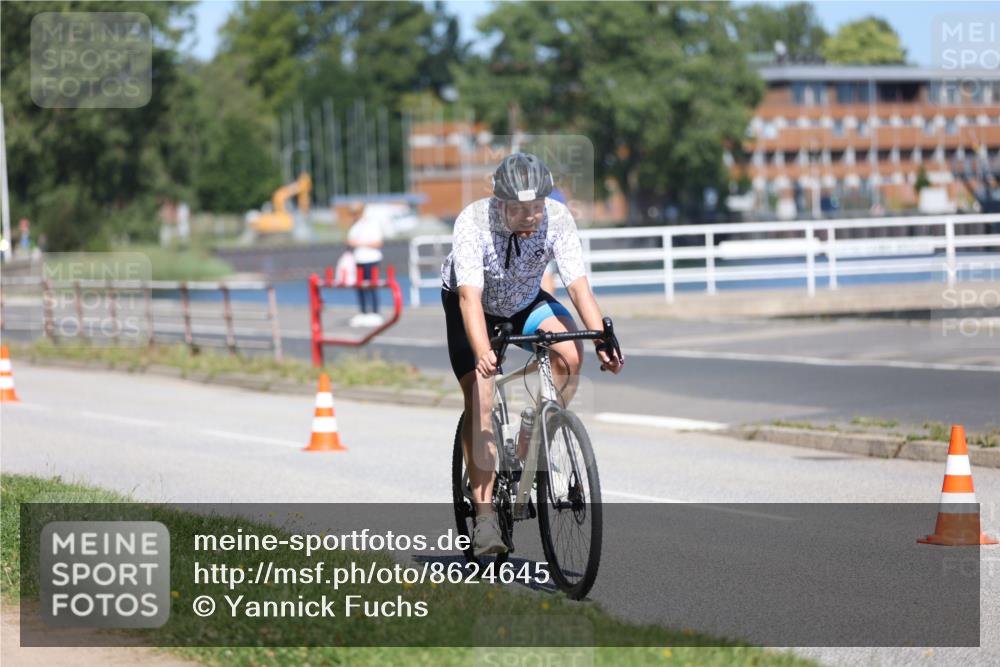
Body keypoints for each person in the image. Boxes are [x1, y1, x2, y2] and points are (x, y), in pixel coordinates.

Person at [440, 153, 624, 557]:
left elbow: (578, 287)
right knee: (481, 400)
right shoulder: (473, 223)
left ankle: (530, 429)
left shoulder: (557, 218)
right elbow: (470, 298)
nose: (531, 216)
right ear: (499, 203)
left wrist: (603, 341)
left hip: (524, 301)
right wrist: (483, 351)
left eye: (536, 207)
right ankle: (486, 520)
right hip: (471, 307)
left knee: (569, 357)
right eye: (520, 209)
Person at [345, 202, 385, 327]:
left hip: (371, 259)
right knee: (360, 286)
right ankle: (363, 312)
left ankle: (375, 312)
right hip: (358, 259)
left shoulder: (372, 224)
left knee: (372, 285)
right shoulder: (354, 225)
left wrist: (358, 243)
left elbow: (378, 242)